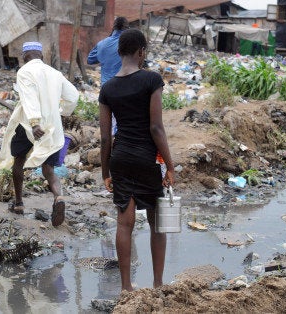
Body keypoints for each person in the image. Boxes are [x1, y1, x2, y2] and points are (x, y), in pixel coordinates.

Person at [99, 29, 175, 292]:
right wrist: (171, 165)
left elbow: (105, 138)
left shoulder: (107, 88)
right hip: (146, 159)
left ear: (120, 52)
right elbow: (156, 128)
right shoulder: (151, 80)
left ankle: (126, 287)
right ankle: (157, 285)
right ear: (142, 52)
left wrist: (104, 172)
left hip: (120, 158)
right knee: (157, 224)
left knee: (124, 223)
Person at [0, 42, 79, 227]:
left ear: (24, 56)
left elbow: (29, 97)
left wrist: (35, 122)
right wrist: (61, 110)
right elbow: (73, 96)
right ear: (41, 56)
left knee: (18, 160)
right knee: (49, 169)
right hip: (52, 126)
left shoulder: (24, 71)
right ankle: (58, 197)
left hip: (28, 124)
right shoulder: (55, 73)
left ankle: (19, 203)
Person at [88, 16, 128, 136]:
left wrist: (105, 56)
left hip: (106, 89)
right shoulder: (128, 43)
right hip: (124, 87)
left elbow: (90, 59)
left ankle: (108, 149)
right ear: (126, 28)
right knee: (123, 121)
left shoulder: (102, 44)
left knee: (108, 123)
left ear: (114, 27)